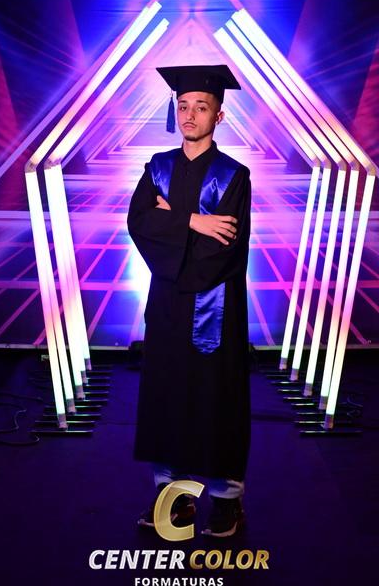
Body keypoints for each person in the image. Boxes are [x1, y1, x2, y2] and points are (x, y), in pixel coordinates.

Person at [127, 65, 251, 537]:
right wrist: (193, 222)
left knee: (216, 400)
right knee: (166, 397)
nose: (190, 115)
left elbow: (226, 248)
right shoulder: (156, 167)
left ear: (219, 115)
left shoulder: (233, 176)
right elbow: (138, 222)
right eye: (183, 106)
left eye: (201, 106)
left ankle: (226, 501)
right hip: (166, 308)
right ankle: (174, 499)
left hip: (214, 308)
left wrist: (169, 224)